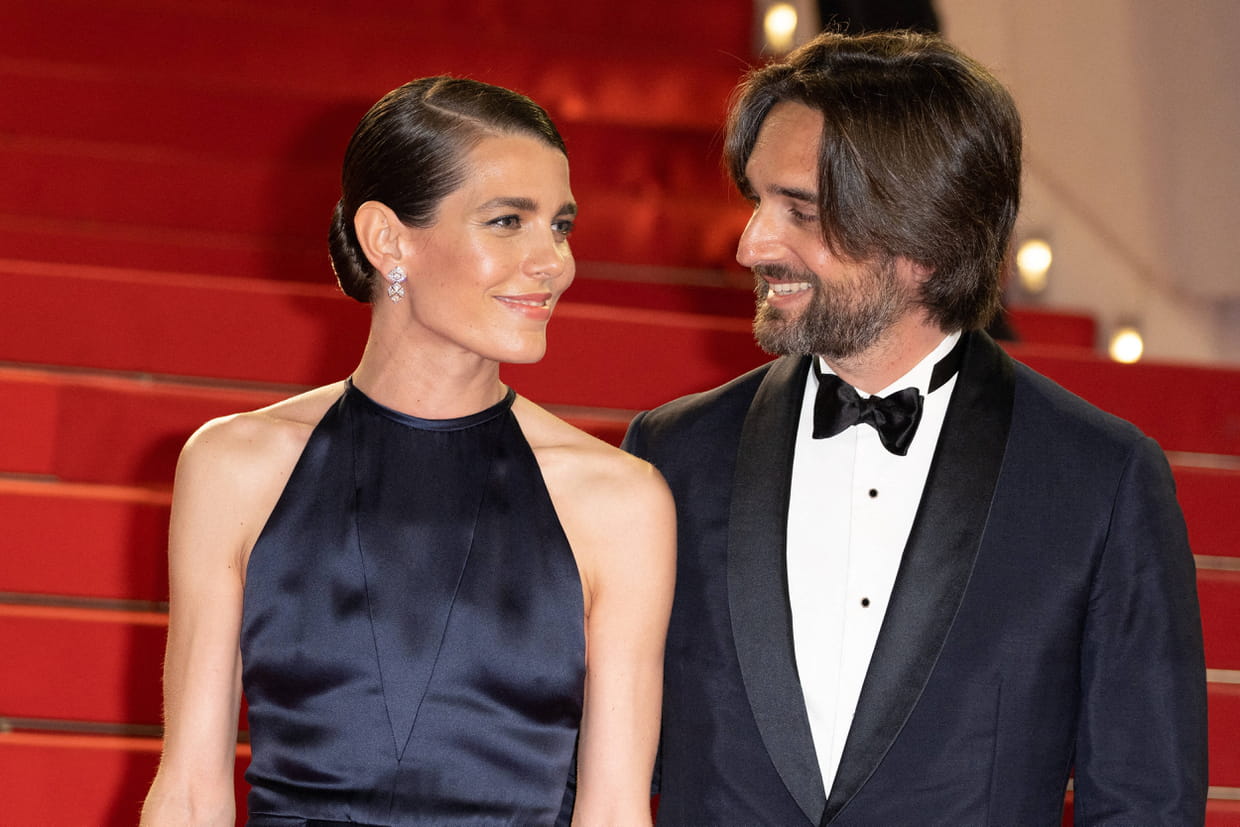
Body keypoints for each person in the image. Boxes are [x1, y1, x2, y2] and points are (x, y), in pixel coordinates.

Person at [622, 31, 1207, 825]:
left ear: (925, 238)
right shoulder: (672, 455)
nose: (751, 243)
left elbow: (1146, 803)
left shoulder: (1101, 481)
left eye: (800, 211)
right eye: (757, 201)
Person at [141, 76, 675, 826]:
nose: (554, 261)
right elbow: (190, 792)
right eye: (507, 221)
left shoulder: (618, 500)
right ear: (388, 239)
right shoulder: (235, 466)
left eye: (559, 225)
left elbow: (615, 809)